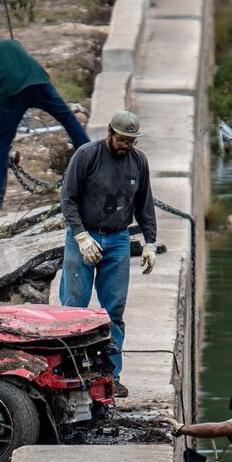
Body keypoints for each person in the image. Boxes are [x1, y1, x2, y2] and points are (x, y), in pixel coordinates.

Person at [59, 110, 158, 397]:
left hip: (117, 239)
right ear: (110, 133)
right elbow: (68, 199)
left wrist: (150, 242)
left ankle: (111, 376)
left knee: (113, 310)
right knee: (74, 306)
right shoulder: (86, 156)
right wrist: (80, 235)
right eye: (122, 139)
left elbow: (144, 204)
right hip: (85, 234)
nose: (126, 145)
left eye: (131, 141)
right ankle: (71, 371)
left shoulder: (138, 163)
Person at [0, 39, 90, 211]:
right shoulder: (13, 43)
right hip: (40, 81)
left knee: (2, 143)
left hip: (12, 92)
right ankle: (95, 166)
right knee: (68, 120)